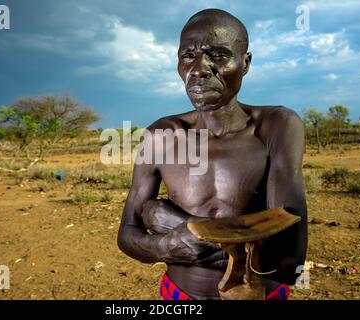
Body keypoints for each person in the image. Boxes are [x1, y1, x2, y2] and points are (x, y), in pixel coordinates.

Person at [117, 8, 307, 300]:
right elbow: (128, 234)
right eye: (188, 56)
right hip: (179, 297)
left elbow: (287, 259)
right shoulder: (161, 135)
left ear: (245, 63)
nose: (200, 69)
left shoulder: (277, 126)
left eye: (218, 55)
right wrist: (165, 247)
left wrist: (169, 221)